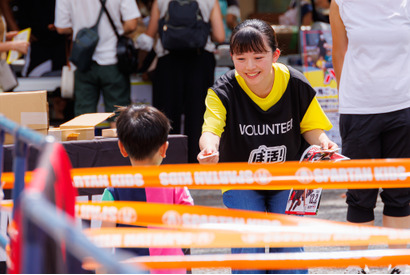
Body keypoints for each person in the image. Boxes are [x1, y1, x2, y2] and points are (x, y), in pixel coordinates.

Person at [197, 19, 337, 274]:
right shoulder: (221, 91)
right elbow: (211, 129)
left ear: (276, 55)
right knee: (248, 245)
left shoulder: (295, 83)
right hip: (240, 179)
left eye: (258, 57)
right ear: (231, 57)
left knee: (289, 246)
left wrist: (324, 142)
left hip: (288, 176)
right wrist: (209, 149)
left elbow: (311, 127)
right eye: (241, 59)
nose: (249, 66)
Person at [330, 1, 410, 274]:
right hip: (358, 108)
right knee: (360, 193)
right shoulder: (340, 3)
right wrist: (347, 97)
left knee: (400, 193)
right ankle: (357, 264)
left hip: (403, 106)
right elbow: (339, 52)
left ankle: (399, 264)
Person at [101, 104, 194, 274]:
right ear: (164, 148)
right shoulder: (176, 184)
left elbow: (104, 244)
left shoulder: (113, 192)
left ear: (122, 148)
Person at [136, 0, 225, 163]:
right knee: (198, 114)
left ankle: (167, 162)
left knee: (166, 114)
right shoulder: (210, 1)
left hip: (168, 61)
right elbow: (220, 35)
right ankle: (196, 162)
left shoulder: (160, 1)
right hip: (200, 60)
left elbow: (149, 36)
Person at [54, 0, 141, 127]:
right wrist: (115, 31)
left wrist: (81, 30)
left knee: (84, 118)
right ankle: (118, 146)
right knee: (119, 117)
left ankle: (84, 147)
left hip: (83, 60)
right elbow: (132, 24)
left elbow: (61, 28)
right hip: (113, 59)